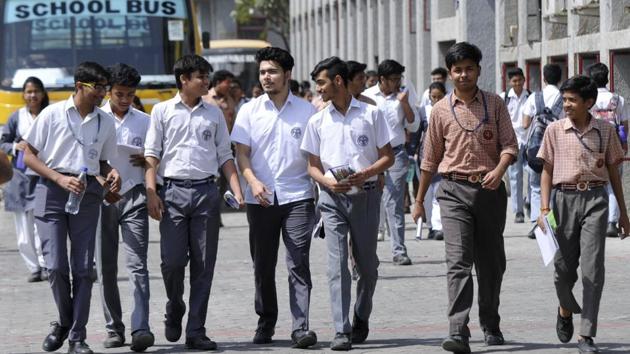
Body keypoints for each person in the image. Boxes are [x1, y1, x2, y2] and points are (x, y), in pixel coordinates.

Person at [411, 42, 518, 353]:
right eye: (457, 70)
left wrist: (499, 169)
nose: (463, 74)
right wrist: (418, 202)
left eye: (469, 68)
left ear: (478, 71)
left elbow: (510, 146)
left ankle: (490, 322)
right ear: (449, 73)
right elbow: (429, 160)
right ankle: (458, 329)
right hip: (453, 191)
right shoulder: (440, 110)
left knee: (492, 263)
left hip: (490, 192)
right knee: (458, 262)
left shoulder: (495, 104)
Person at [144, 54, 244, 350]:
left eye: (207, 75)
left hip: (206, 194)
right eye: (200, 76)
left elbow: (225, 155)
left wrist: (237, 190)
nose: (206, 81)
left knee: (203, 264)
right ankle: (175, 306)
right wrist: (151, 192)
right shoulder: (161, 111)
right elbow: (152, 155)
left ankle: (196, 330)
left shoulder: (213, 114)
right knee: (172, 262)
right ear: (184, 79)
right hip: (171, 194)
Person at [23, 62, 122, 354]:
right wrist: (58, 178)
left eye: (105, 87)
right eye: (98, 88)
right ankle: (65, 322)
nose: (103, 93)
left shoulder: (105, 121)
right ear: (80, 86)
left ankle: (77, 337)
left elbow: (103, 163)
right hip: (52, 191)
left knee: (83, 269)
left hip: (88, 192)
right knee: (54, 266)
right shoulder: (52, 114)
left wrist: (110, 175)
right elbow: (27, 155)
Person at [301, 56, 394, 351]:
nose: (318, 89)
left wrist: (366, 173)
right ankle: (341, 330)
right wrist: (326, 182)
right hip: (331, 199)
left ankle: (361, 313)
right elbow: (312, 166)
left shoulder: (371, 114)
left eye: (322, 82)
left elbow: (388, 156)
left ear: (338, 81)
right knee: (337, 264)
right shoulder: (316, 120)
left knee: (367, 266)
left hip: (365, 196)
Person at [231, 46, 318, 349]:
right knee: (263, 266)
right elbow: (241, 154)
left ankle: (301, 327)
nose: (267, 77)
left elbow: (315, 157)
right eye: (263, 72)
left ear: (288, 75)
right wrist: (252, 182)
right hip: (261, 200)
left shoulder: (307, 111)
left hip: (298, 197)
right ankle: (266, 321)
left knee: (298, 262)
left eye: (273, 71)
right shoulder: (249, 111)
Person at [536, 75, 630, 354]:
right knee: (562, 271)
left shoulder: (605, 130)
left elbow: (614, 172)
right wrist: (543, 209)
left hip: (595, 201)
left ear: (588, 103)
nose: (566, 104)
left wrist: (623, 214)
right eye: (564, 99)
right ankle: (565, 308)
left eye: (572, 100)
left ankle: (586, 334)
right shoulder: (553, 130)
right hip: (562, 200)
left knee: (593, 270)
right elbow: (546, 170)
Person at [97, 63, 154, 351]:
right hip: (102, 200)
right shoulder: (95, 119)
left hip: (135, 198)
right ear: (108, 91)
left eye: (130, 94)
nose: (124, 99)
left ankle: (141, 327)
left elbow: (158, 159)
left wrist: (148, 159)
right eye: (119, 93)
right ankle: (114, 328)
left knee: (138, 265)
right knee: (105, 268)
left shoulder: (144, 121)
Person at [364, 59, 420, 265]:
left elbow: (414, 126)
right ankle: (367, 252)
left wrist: (404, 103)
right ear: (382, 80)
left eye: (400, 79)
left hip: (396, 155)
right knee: (371, 202)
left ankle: (399, 250)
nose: (398, 83)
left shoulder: (404, 94)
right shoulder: (367, 96)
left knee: (394, 202)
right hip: (371, 157)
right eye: (394, 79)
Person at [0, 76, 48, 282]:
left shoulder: (49, 114)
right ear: (23, 94)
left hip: (43, 177)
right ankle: (34, 268)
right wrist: (14, 147)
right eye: (29, 92)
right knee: (23, 230)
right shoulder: (16, 117)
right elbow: (3, 143)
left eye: (36, 91)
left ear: (43, 93)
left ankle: (46, 265)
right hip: (19, 179)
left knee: (42, 226)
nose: (32, 95)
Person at [586, 62, 629, 237]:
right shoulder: (618, 99)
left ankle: (598, 219)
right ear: (608, 78)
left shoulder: (589, 101)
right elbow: (625, 125)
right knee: (614, 182)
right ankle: (611, 221)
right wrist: (624, 144)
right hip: (614, 145)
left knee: (595, 183)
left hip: (593, 145)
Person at [522, 64, 563, 238]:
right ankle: (552, 223)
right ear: (560, 79)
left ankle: (536, 223)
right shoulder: (564, 98)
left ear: (544, 78)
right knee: (554, 187)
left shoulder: (535, 97)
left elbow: (524, 124)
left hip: (535, 150)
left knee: (536, 187)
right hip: (558, 149)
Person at [413, 81, 447, 240]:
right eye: (434, 97)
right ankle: (429, 225)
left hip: (444, 156)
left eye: (440, 96)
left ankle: (438, 226)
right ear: (429, 97)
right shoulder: (423, 111)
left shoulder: (449, 110)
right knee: (425, 191)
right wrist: (411, 152)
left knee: (438, 191)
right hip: (425, 155)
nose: (437, 99)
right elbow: (416, 133)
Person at [501, 67, 530, 223]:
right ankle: (518, 211)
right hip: (512, 141)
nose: (517, 83)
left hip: (528, 140)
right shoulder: (504, 98)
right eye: (514, 81)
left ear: (524, 80)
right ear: (509, 82)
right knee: (515, 176)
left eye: (520, 80)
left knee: (532, 173)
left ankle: (530, 201)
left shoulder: (531, 96)